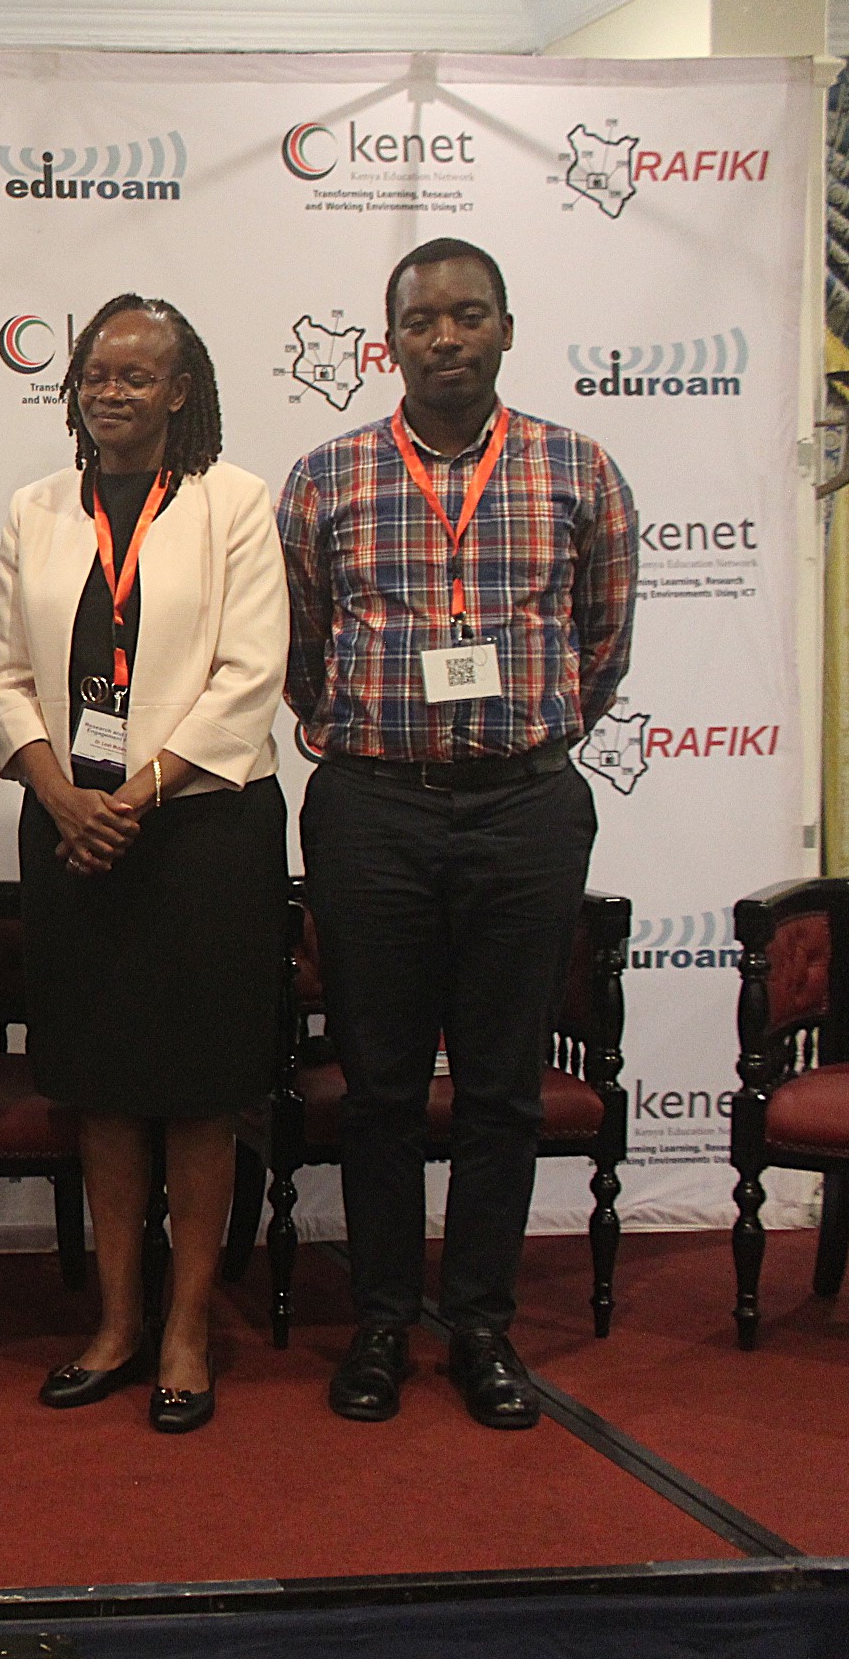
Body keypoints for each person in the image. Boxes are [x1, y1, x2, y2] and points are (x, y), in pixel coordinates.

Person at [280, 238, 635, 1431]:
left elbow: (602, 643)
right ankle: (382, 1319)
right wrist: (384, 740)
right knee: (380, 1084)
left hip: (524, 804)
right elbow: (302, 651)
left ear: (506, 329)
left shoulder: (579, 469)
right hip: (373, 806)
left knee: (501, 1087)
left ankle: (481, 1324)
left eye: (469, 315)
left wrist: (519, 734)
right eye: (422, 321)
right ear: (389, 343)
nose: (446, 338)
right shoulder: (327, 477)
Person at [0, 294, 288, 1435]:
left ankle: (186, 1330)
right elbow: (7, 676)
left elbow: (249, 677)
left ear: (180, 390)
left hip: (204, 835)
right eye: (95, 374)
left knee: (201, 1095)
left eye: (136, 375)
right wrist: (62, 795)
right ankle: (115, 1323)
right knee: (104, 1088)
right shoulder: (36, 507)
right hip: (72, 831)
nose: (111, 391)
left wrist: (136, 794)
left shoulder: (235, 502)